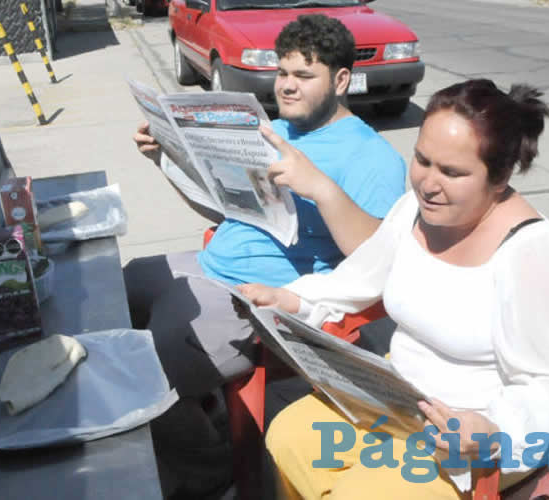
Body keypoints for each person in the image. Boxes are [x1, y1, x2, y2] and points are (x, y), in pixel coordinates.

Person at [239, 79, 549, 499]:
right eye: (422, 160)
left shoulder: (533, 253)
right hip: (395, 400)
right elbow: (357, 279)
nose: (427, 183)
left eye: (452, 172)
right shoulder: (414, 211)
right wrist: (289, 299)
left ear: (499, 178)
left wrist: (491, 430)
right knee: (289, 437)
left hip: (467, 435)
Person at [127, 14, 407, 498]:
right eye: (282, 73)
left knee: (147, 369)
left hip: (259, 296)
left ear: (341, 80)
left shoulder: (373, 156)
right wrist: (165, 159)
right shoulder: (273, 130)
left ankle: (207, 470)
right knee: (121, 287)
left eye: (304, 76)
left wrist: (319, 188)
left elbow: (375, 260)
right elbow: (219, 207)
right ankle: (195, 411)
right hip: (213, 261)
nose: (288, 87)